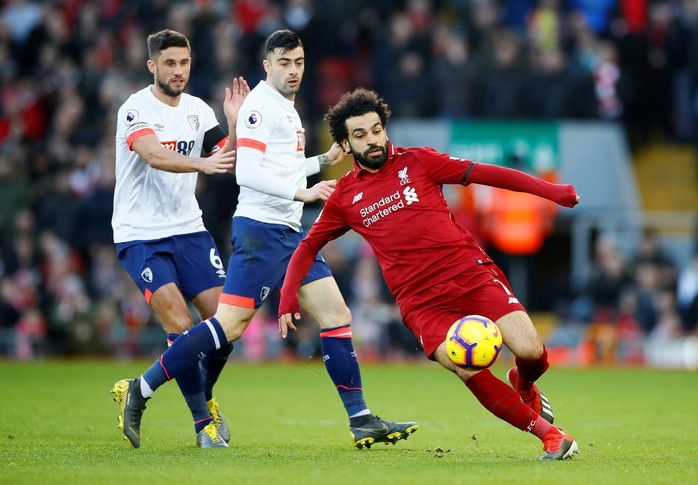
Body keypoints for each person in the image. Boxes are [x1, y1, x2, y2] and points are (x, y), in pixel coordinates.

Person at [114, 29, 418, 450]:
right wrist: (304, 192)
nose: (293, 71)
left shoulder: (281, 109)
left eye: (298, 63)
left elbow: (261, 162)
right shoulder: (262, 106)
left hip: (288, 232)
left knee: (336, 315)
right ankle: (143, 389)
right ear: (267, 66)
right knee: (226, 326)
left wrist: (320, 162)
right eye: (284, 64)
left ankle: (361, 418)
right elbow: (248, 173)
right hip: (258, 231)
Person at [278, 88, 581, 461]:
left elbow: (487, 173)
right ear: (344, 144)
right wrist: (289, 295)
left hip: (468, 273)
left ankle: (523, 381)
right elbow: (307, 245)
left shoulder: (420, 162)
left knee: (532, 351)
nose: (372, 139)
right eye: (360, 135)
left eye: (376, 130)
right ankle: (552, 436)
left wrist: (551, 191)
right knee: (466, 366)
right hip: (421, 302)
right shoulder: (344, 197)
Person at [110, 29, 250, 449]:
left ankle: (169, 390)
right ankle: (202, 425)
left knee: (228, 324)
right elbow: (153, 154)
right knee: (181, 324)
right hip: (141, 235)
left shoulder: (198, 110)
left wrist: (233, 124)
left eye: (183, 63)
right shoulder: (135, 109)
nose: (178, 71)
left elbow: (229, 159)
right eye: (169, 63)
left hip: (189, 228)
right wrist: (201, 165)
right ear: (152, 66)